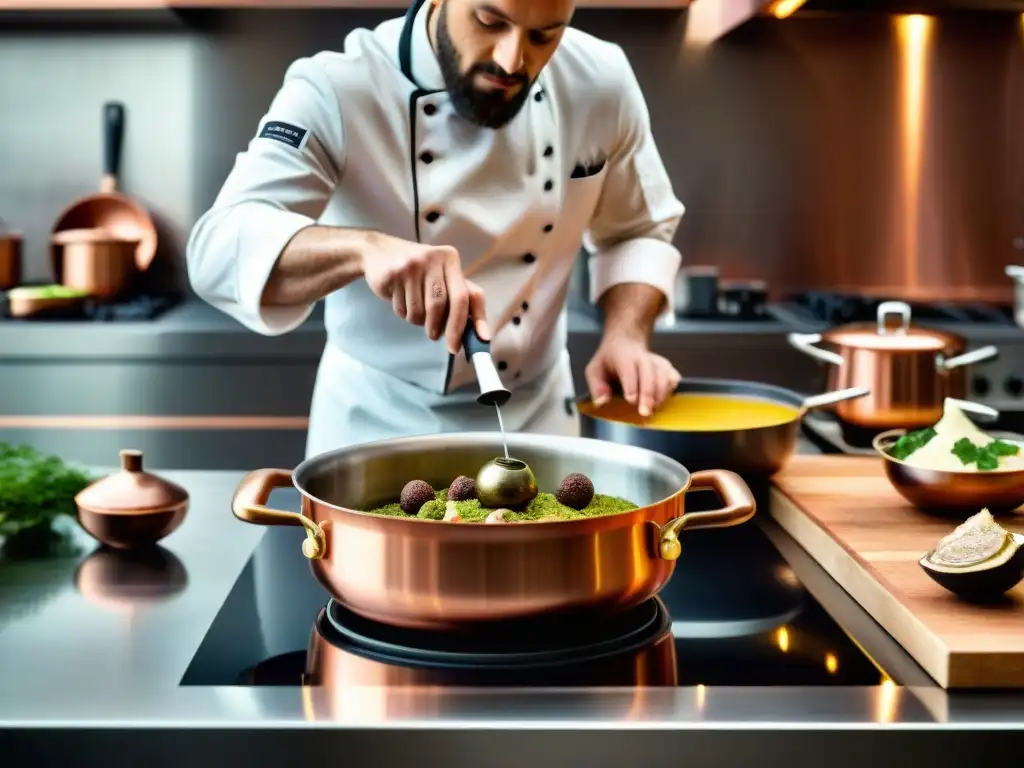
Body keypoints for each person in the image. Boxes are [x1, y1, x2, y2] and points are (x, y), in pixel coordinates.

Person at [187, 0, 685, 459]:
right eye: (490, 21)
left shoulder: (599, 80)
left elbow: (637, 230)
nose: (512, 61)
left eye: (544, 36)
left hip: (538, 424)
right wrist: (364, 250)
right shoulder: (338, 87)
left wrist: (626, 336)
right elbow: (218, 247)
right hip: (374, 429)